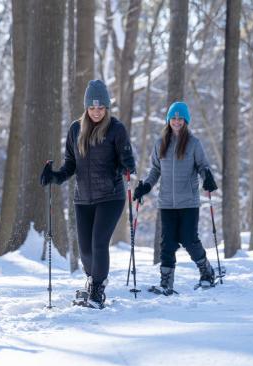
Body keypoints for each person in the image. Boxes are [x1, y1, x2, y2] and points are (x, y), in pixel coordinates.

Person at [40, 79, 136, 309]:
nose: (96, 112)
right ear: (86, 107)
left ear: (106, 108)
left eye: (100, 108)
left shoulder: (116, 129)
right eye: (92, 108)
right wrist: (54, 176)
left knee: (99, 243)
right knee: (84, 249)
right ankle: (92, 280)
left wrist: (126, 165)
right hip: (83, 199)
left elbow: (128, 162)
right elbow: (70, 165)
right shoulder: (75, 129)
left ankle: (98, 290)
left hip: (111, 196)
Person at [134, 101, 217, 296]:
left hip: (188, 202)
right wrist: (146, 185)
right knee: (167, 243)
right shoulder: (160, 143)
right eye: (174, 118)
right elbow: (155, 170)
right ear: (169, 120)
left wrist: (208, 178)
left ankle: (207, 271)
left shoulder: (194, 143)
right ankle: (166, 283)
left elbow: (203, 166)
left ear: (186, 121)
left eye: (181, 118)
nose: (177, 121)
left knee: (189, 239)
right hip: (167, 203)